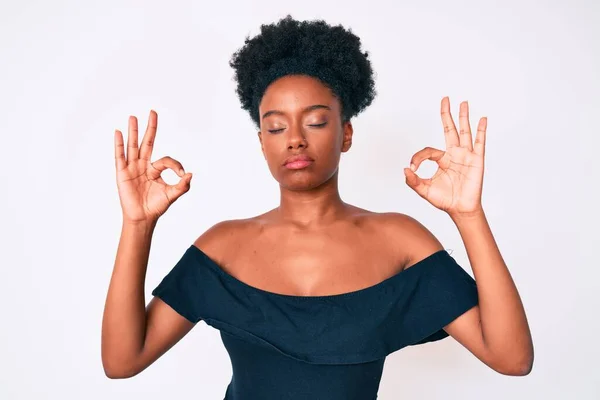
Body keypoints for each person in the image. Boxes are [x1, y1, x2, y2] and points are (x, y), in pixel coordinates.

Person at [101, 15, 533, 399]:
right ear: (262, 143)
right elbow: (122, 362)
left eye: (316, 121)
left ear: (346, 134)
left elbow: (511, 358)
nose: (294, 138)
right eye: (275, 126)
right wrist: (137, 225)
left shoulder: (399, 239)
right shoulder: (223, 246)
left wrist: (468, 215)